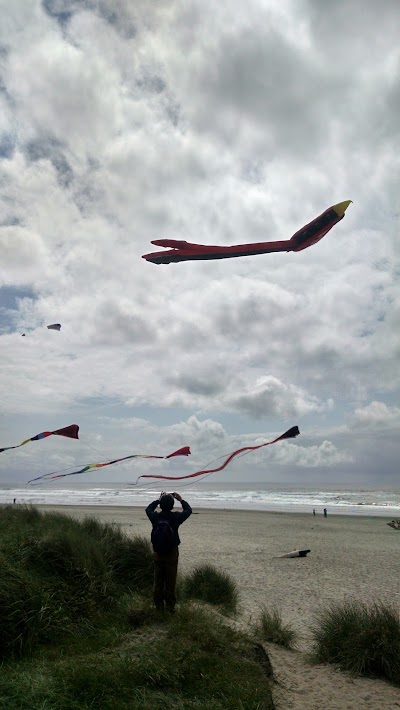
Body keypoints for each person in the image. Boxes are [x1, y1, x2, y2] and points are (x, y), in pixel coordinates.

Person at [146, 491, 192, 612]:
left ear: (161, 505)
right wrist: (181, 500)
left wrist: (159, 499)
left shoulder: (155, 517)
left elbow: (148, 509)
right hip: (171, 553)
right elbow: (188, 510)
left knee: (159, 581)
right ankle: (170, 608)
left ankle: (159, 607)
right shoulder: (175, 517)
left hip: (158, 553)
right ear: (172, 505)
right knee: (171, 582)